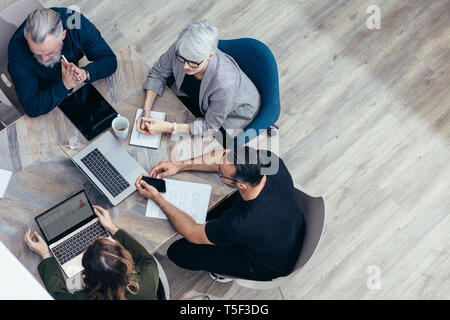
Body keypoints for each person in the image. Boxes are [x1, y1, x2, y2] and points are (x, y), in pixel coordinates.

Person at [135, 146, 305, 281]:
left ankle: (223, 271)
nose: (218, 171)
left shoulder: (241, 223)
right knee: (212, 213)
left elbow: (193, 233)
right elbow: (224, 155)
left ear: (241, 186)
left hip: (267, 264)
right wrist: (179, 165)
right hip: (288, 229)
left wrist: (157, 198)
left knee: (178, 251)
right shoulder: (270, 161)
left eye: (221, 174)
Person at [136, 20, 260, 142]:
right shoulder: (182, 47)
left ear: (210, 56)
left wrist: (169, 127)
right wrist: (145, 112)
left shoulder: (224, 84)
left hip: (229, 117)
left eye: (193, 63)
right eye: (182, 59)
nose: (185, 67)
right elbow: (158, 73)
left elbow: (210, 126)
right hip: (196, 102)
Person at [24, 205, 160, 300]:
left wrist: (46, 255)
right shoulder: (149, 272)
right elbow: (145, 256)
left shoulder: (83, 298)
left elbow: (58, 295)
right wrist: (111, 228)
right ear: (125, 257)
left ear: (87, 275)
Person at [8, 7, 117, 117]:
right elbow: (31, 107)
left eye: (50, 52)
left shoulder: (76, 22)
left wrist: (85, 73)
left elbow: (109, 60)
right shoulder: (17, 50)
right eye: (36, 53)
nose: (43, 59)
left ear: (63, 35)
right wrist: (64, 85)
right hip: (45, 90)